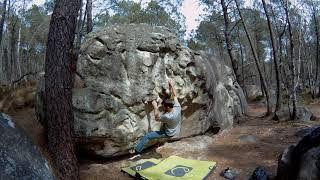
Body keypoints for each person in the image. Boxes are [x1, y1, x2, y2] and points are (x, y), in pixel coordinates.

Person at [130, 79, 181, 155]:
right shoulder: (177, 106)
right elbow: (175, 95)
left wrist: (155, 107)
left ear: (167, 108)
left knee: (148, 136)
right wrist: (172, 85)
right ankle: (159, 143)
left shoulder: (167, 116)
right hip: (175, 128)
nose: (163, 107)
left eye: (163, 107)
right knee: (164, 124)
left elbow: (157, 118)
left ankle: (137, 150)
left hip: (168, 132)